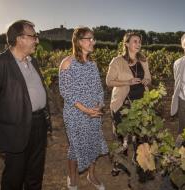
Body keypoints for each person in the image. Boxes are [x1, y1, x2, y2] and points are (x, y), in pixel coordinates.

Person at [0, 20, 52, 190]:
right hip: (15, 129)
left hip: (39, 123)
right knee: (14, 177)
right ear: (20, 39)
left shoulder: (33, 62)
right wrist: (6, 121)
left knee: (35, 174)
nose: (37, 40)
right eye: (34, 36)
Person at [59, 26, 108, 190]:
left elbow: (99, 89)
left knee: (94, 142)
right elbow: (66, 92)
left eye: (93, 38)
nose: (93, 42)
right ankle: (72, 177)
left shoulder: (93, 65)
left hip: (94, 112)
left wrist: (99, 106)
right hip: (75, 114)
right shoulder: (67, 63)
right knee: (75, 145)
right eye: (89, 39)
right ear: (79, 42)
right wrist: (86, 110)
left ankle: (91, 175)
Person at [106, 32, 151, 180]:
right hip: (122, 104)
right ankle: (119, 163)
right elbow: (109, 81)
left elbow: (149, 78)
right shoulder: (117, 61)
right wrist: (128, 82)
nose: (138, 44)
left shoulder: (143, 60)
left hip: (140, 104)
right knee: (122, 137)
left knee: (140, 135)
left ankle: (138, 163)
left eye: (139, 42)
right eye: (135, 41)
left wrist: (146, 81)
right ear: (126, 44)